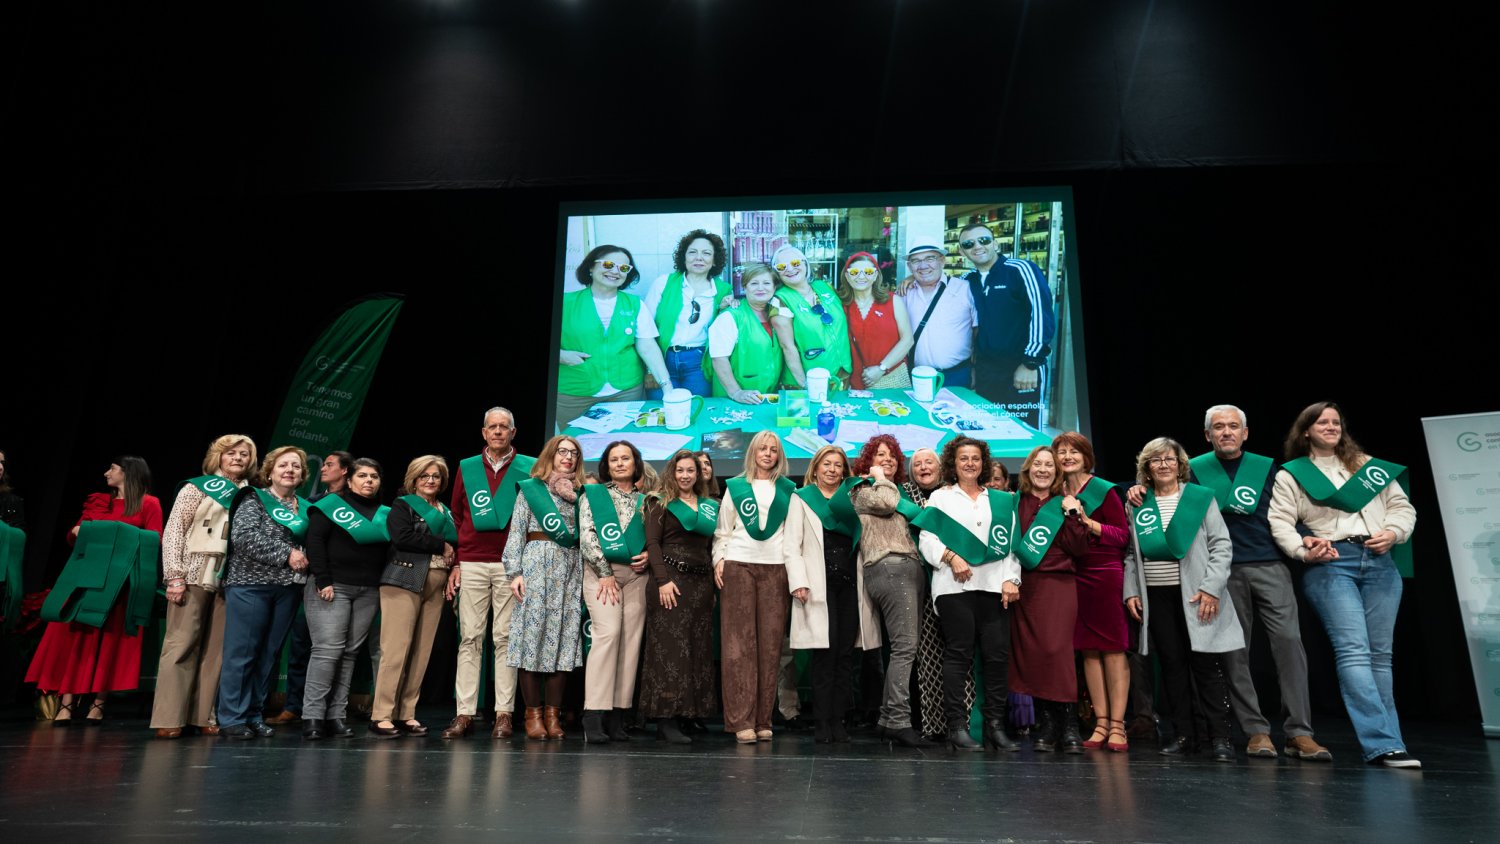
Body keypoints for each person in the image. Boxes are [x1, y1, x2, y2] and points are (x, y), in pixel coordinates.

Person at [1128, 405, 1332, 761]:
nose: (1226, 432)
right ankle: (1255, 732)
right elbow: (1159, 523)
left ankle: (1300, 732)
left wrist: (1304, 537)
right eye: (1218, 427)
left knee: (1288, 645)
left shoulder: (1267, 469)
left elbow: (1285, 512)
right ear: (1207, 435)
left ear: (1245, 432)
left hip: (1267, 563)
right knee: (1232, 657)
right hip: (1214, 576)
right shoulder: (1195, 475)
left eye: (1233, 426)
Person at [1268, 401, 1419, 769]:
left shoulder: (1368, 467)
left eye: (1336, 422)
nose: (1331, 427)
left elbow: (1403, 508)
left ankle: (1391, 741)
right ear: (1306, 430)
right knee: (1354, 651)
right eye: (1323, 422)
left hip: (1380, 561)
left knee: (1380, 657)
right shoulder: (1294, 474)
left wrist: (1393, 532)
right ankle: (1382, 745)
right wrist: (1304, 552)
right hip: (1333, 564)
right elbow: (1281, 523)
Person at [1123, 437, 1243, 762]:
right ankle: (1184, 735)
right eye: (1155, 460)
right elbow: (1132, 556)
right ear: (1146, 467)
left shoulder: (1200, 499)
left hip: (1196, 594)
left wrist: (1211, 589)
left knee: (1206, 665)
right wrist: (1131, 590)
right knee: (1172, 667)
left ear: (1180, 464)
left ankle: (1220, 738)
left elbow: (1221, 545)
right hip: (1156, 597)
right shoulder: (1137, 503)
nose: (1163, 465)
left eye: (1169, 459)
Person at [28, 457, 163, 724]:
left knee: (108, 642)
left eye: (112, 469)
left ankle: (98, 703)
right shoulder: (101, 501)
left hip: (119, 585)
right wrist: (79, 531)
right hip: (86, 579)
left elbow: (154, 538)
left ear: (128, 473)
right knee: (76, 639)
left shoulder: (150, 503)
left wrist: (111, 534)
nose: (106, 473)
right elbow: (75, 534)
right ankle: (67, 702)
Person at [914, 436, 1023, 751]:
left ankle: (995, 727)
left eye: (976, 458)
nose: (970, 463)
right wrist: (951, 556)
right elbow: (927, 539)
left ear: (983, 462)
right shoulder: (940, 498)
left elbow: (1012, 546)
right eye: (964, 458)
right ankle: (957, 727)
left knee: (996, 658)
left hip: (994, 587)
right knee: (958, 655)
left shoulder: (1000, 501)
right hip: (954, 586)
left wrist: (1011, 580)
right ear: (953, 463)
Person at [150, 434, 257, 739]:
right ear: (219, 457)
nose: (238, 458)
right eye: (232, 453)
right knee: (181, 644)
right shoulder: (196, 486)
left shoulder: (252, 494)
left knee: (217, 650)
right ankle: (169, 716)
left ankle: (203, 715)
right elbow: (173, 532)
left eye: (245, 454)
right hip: (194, 569)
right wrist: (174, 575)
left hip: (232, 577)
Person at [445, 407, 537, 740]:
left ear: (514, 432)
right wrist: (456, 561)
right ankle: (464, 713)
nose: (498, 432)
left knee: (505, 639)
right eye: (492, 427)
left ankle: (504, 714)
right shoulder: (467, 468)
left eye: (504, 427)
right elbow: (456, 515)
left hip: (510, 565)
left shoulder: (529, 466)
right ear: (484, 433)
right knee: (469, 638)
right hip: (471, 562)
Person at [216, 446, 312, 740]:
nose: (290, 470)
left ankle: (254, 714)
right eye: (283, 465)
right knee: (243, 653)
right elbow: (243, 537)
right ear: (270, 471)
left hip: (288, 589)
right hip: (250, 584)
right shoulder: (254, 500)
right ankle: (232, 717)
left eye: (296, 466)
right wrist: (287, 554)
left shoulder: (306, 508)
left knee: (269, 655)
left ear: (303, 475)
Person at [714, 430, 804, 742]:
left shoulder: (788, 490)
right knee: (739, 647)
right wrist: (719, 560)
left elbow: (793, 538)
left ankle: (764, 719)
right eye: (762, 448)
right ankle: (741, 721)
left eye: (773, 450)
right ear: (753, 452)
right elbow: (723, 531)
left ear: (780, 456)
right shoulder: (736, 487)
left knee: (770, 647)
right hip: (739, 565)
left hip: (776, 569)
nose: (767, 454)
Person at [789, 445, 877, 743]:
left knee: (844, 655)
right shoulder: (801, 499)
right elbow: (792, 546)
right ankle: (822, 722)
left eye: (838, 465)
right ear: (815, 468)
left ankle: (839, 720)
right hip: (817, 585)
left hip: (850, 585)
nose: (832, 469)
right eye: (827, 464)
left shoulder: (852, 499)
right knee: (823, 656)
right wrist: (798, 581)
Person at [504, 435, 586, 741]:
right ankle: (533, 715)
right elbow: (516, 531)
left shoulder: (582, 494)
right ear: (550, 455)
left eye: (574, 454)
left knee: (563, 643)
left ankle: (554, 715)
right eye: (562, 452)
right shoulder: (532, 490)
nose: (568, 457)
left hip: (570, 568)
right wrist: (514, 572)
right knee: (532, 642)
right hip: (536, 566)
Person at [302, 457, 391, 740]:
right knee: (327, 650)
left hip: (368, 590)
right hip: (332, 585)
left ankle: (336, 716)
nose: (368, 481)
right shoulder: (330, 506)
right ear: (349, 479)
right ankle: (313, 716)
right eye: (362, 475)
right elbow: (314, 543)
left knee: (350, 653)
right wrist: (323, 579)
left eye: (374, 477)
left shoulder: (383, 513)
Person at [369, 456, 457, 738]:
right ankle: (381, 714)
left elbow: (456, 545)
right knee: (396, 650)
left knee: (422, 652)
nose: (431, 481)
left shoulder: (446, 510)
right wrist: (439, 544)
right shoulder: (403, 504)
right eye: (424, 476)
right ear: (414, 479)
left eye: (436, 476)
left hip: (437, 582)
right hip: (404, 580)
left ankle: (406, 713)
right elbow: (402, 537)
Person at [1054, 431, 1131, 753]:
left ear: (1087, 457)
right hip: (1073, 575)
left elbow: (1121, 535)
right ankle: (1100, 722)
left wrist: (1088, 521)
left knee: (1112, 649)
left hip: (1104, 574)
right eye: (1062, 452)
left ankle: (1118, 725)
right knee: (1087, 650)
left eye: (1074, 451)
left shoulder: (1103, 490)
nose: (1067, 456)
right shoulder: (1055, 492)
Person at [847, 435, 926, 747]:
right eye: (881, 455)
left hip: (907, 568)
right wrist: (879, 477)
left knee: (902, 648)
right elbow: (888, 503)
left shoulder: (898, 491)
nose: (889, 460)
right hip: (891, 566)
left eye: (893, 455)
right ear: (868, 460)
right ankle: (897, 720)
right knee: (905, 648)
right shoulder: (862, 490)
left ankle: (885, 717)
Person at [638, 449, 720, 744]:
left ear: (699, 475)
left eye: (691, 471)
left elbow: (711, 547)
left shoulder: (709, 506)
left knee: (695, 650)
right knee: (670, 651)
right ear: (672, 472)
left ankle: (687, 713)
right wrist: (662, 580)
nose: (686, 475)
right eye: (681, 470)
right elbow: (653, 544)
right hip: (670, 581)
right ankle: (665, 718)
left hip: (700, 584)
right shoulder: (658, 503)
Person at [1011, 446, 1090, 752]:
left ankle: (1069, 725)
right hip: (1025, 586)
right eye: (1038, 465)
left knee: (1058, 653)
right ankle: (1047, 725)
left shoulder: (1066, 504)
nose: (1043, 470)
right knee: (1034, 655)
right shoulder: (1015, 503)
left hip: (1058, 585)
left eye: (1049, 466)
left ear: (1057, 473)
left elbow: (1080, 548)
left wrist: (1073, 513)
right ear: (1028, 469)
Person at [578, 439, 651, 743]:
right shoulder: (594, 496)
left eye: (625, 458)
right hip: (601, 574)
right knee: (607, 637)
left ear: (636, 463)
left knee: (630, 643)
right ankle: (593, 715)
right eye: (614, 459)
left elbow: (654, 538)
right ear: (606, 466)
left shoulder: (648, 501)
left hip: (637, 577)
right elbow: (587, 536)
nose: (620, 463)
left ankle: (618, 716)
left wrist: (648, 554)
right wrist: (605, 573)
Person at [271, 449, 351, 726]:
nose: (324, 468)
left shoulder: (356, 505)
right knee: (301, 645)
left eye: (329, 465)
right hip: (308, 583)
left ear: (344, 471)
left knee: (338, 650)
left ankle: (332, 710)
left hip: (343, 584)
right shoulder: (311, 503)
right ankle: (294, 705)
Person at [556, 244, 674, 428]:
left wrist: (667, 387)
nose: (615, 271)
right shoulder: (564, 303)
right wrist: (561, 356)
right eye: (608, 264)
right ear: (591, 266)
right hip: (574, 394)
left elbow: (648, 347)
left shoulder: (635, 304)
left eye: (624, 268)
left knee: (624, 448)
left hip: (626, 392)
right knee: (578, 448)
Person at [957, 222, 1055, 429]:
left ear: (996, 244)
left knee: (1024, 430)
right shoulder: (967, 280)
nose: (977, 246)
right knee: (989, 429)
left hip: (1021, 367)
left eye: (983, 240)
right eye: (968, 243)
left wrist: (1030, 363)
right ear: (962, 251)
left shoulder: (1020, 270)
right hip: (986, 370)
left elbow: (1041, 314)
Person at [643, 229, 732, 397]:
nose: (699, 257)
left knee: (698, 410)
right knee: (662, 410)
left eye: (706, 253)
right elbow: (646, 330)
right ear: (684, 257)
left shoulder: (723, 290)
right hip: (662, 360)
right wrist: (649, 368)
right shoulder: (663, 283)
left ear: (714, 261)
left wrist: (723, 309)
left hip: (699, 363)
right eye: (692, 252)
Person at [897, 237, 978, 388]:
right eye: (916, 261)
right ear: (909, 266)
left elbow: (977, 332)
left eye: (930, 258)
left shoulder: (965, 289)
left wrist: (976, 368)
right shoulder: (903, 294)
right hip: (915, 375)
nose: (923, 266)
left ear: (941, 261)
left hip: (957, 375)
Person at [771, 244, 852, 390]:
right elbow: (787, 347)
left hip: (842, 374)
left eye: (795, 263)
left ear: (805, 263)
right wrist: (805, 385)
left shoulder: (825, 286)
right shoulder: (780, 300)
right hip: (809, 381)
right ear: (777, 273)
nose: (790, 269)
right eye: (782, 267)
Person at [707, 263, 785, 404]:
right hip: (734, 400)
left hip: (767, 397)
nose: (760, 288)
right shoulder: (731, 316)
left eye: (766, 283)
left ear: (774, 287)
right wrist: (736, 392)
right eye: (754, 283)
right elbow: (719, 359)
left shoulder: (778, 315)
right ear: (744, 287)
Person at [837, 251, 914, 390]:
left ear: (875, 275)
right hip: (855, 382)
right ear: (847, 276)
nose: (861, 276)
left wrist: (882, 368)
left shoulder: (893, 301)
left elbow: (907, 339)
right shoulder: (840, 306)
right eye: (854, 272)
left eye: (867, 271)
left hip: (891, 377)